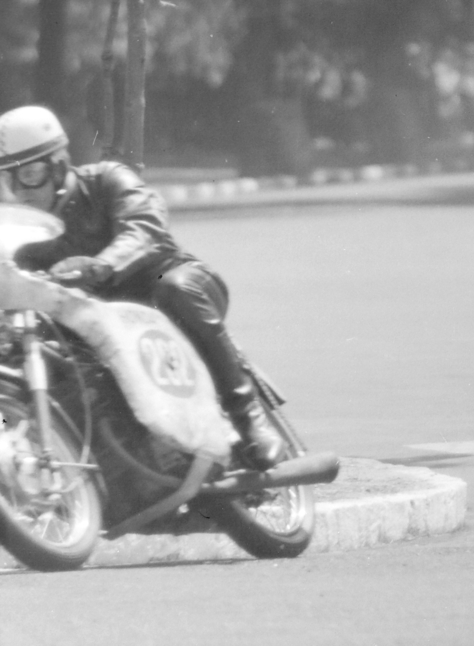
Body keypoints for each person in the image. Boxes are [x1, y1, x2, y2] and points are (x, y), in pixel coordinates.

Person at [0, 105, 287, 469]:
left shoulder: (106, 180)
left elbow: (145, 229)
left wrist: (101, 264)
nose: (21, 190)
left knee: (175, 289)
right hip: (104, 324)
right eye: (9, 180)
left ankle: (249, 419)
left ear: (59, 164)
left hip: (166, 288)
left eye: (31, 174)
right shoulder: (27, 236)